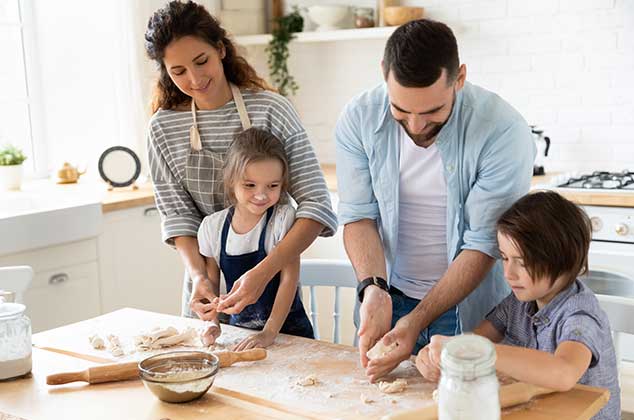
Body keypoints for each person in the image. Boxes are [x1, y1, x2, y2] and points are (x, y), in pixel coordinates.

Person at [335, 18, 536, 382]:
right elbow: (358, 216)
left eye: (431, 112)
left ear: (458, 78)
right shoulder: (359, 118)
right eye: (401, 111)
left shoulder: (503, 130)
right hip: (387, 298)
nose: (415, 126)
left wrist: (418, 319)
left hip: (473, 311)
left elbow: (482, 243)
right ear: (384, 73)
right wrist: (374, 289)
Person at [144, 1, 337, 320]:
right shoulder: (163, 129)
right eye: (178, 71)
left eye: (201, 61)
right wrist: (199, 278)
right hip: (205, 294)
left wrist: (262, 274)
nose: (194, 78)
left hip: (271, 286)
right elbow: (179, 217)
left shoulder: (272, 110)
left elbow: (316, 206)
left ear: (220, 49)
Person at [416, 191, 621, 420]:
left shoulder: (579, 315)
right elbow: (477, 340)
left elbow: (563, 372)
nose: (508, 273)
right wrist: (447, 357)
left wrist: (474, 350)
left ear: (563, 259)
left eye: (522, 262)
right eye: (504, 258)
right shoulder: (517, 304)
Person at [197, 127, 314, 349]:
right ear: (231, 180)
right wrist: (211, 323)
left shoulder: (283, 219)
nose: (261, 195)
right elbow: (212, 285)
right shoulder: (212, 227)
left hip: (289, 335)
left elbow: (288, 281)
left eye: (272, 186)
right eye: (250, 185)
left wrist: (269, 333)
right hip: (241, 336)